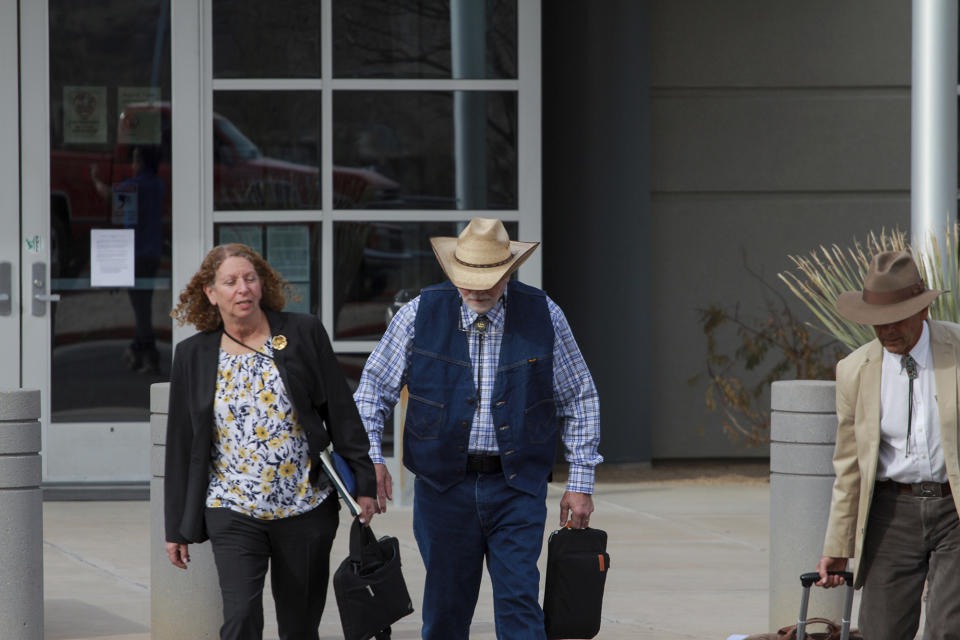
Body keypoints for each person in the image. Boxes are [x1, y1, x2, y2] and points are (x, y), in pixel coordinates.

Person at [353, 217, 603, 640]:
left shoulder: (544, 314)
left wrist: (581, 481)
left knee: (521, 608)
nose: (476, 288)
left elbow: (579, 397)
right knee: (446, 613)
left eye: (489, 277)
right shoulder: (419, 314)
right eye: (466, 278)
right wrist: (370, 459)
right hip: (441, 491)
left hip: (517, 487)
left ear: (509, 271)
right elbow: (371, 393)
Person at [164, 243, 377, 640]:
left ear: (262, 285)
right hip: (232, 505)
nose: (242, 288)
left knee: (299, 626)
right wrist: (175, 525)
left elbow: (341, 410)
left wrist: (363, 481)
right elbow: (181, 444)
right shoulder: (192, 354)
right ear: (210, 294)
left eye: (249, 278)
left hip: (305, 504)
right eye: (230, 282)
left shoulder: (301, 332)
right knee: (241, 617)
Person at [816, 250, 960, 639]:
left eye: (896, 321)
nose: (887, 331)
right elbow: (849, 465)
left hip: (955, 510)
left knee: (949, 629)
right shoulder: (854, 370)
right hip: (891, 511)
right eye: (877, 323)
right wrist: (838, 542)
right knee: (881, 630)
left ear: (923, 312)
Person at [91, 145, 165, 373]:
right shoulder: (158, 185)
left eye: (134, 160)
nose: (132, 165)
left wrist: (95, 178)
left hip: (134, 253)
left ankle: (149, 353)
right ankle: (138, 348)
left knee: (140, 307)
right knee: (143, 305)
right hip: (153, 253)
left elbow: (108, 194)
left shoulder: (135, 186)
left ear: (141, 162)